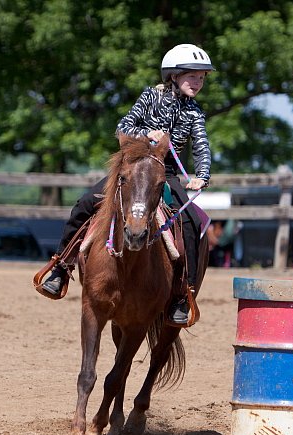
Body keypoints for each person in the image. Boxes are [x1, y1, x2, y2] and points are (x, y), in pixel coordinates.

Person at [41, 43, 215, 324]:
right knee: (86, 203)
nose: (198, 82)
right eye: (192, 76)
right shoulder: (149, 96)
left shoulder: (194, 112)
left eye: (202, 78)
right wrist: (148, 135)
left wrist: (203, 174)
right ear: (174, 75)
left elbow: (202, 147)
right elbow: (123, 127)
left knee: (194, 223)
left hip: (165, 173)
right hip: (132, 166)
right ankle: (62, 265)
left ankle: (184, 293)